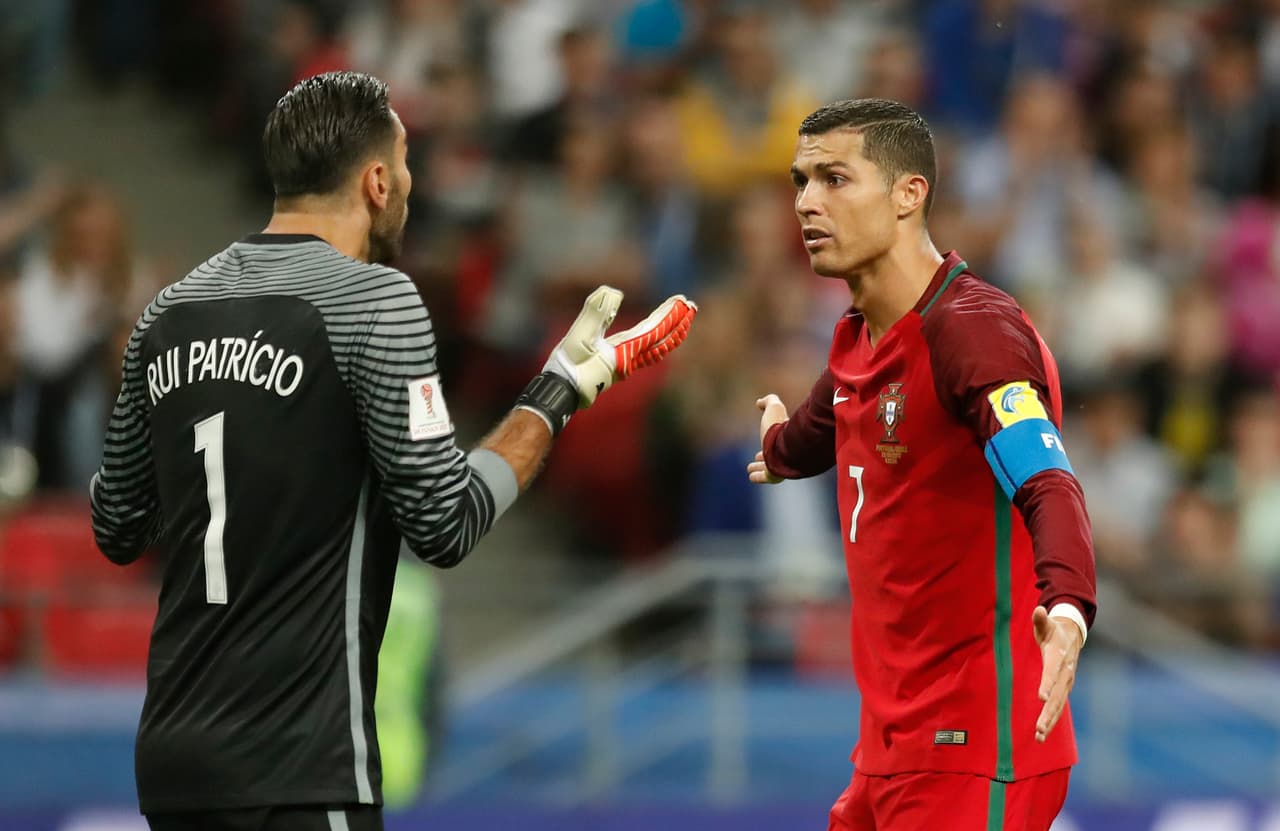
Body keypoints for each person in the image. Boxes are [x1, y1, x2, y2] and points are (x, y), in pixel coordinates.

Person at [89, 71, 696, 831]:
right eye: (406, 164)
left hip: (173, 763)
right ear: (377, 181)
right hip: (298, 765)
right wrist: (562, 389)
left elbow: (117, 523)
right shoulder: (377, 299)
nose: (411, 184)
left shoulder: (167, 311)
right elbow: (444, 523)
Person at [747, 99, 1097, 830]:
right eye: (800, 181)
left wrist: (1068, 606)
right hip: (888, 749)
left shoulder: (973, 333)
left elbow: (1047, 480)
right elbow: (821, 423)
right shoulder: (861, 336)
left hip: (975, 744)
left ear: (909, 193)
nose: (806, 203)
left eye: (834, 179)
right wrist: (777, 450)